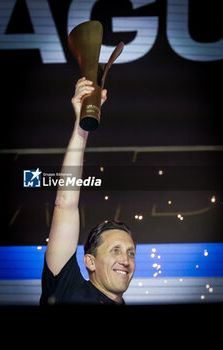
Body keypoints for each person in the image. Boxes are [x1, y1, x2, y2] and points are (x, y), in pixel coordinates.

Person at [40, 78, 136, 305]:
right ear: (90, 262)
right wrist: (82, 125)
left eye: (131, 253)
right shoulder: (68, 289)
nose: (126, 260)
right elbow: (65, 203)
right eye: (115, 250)